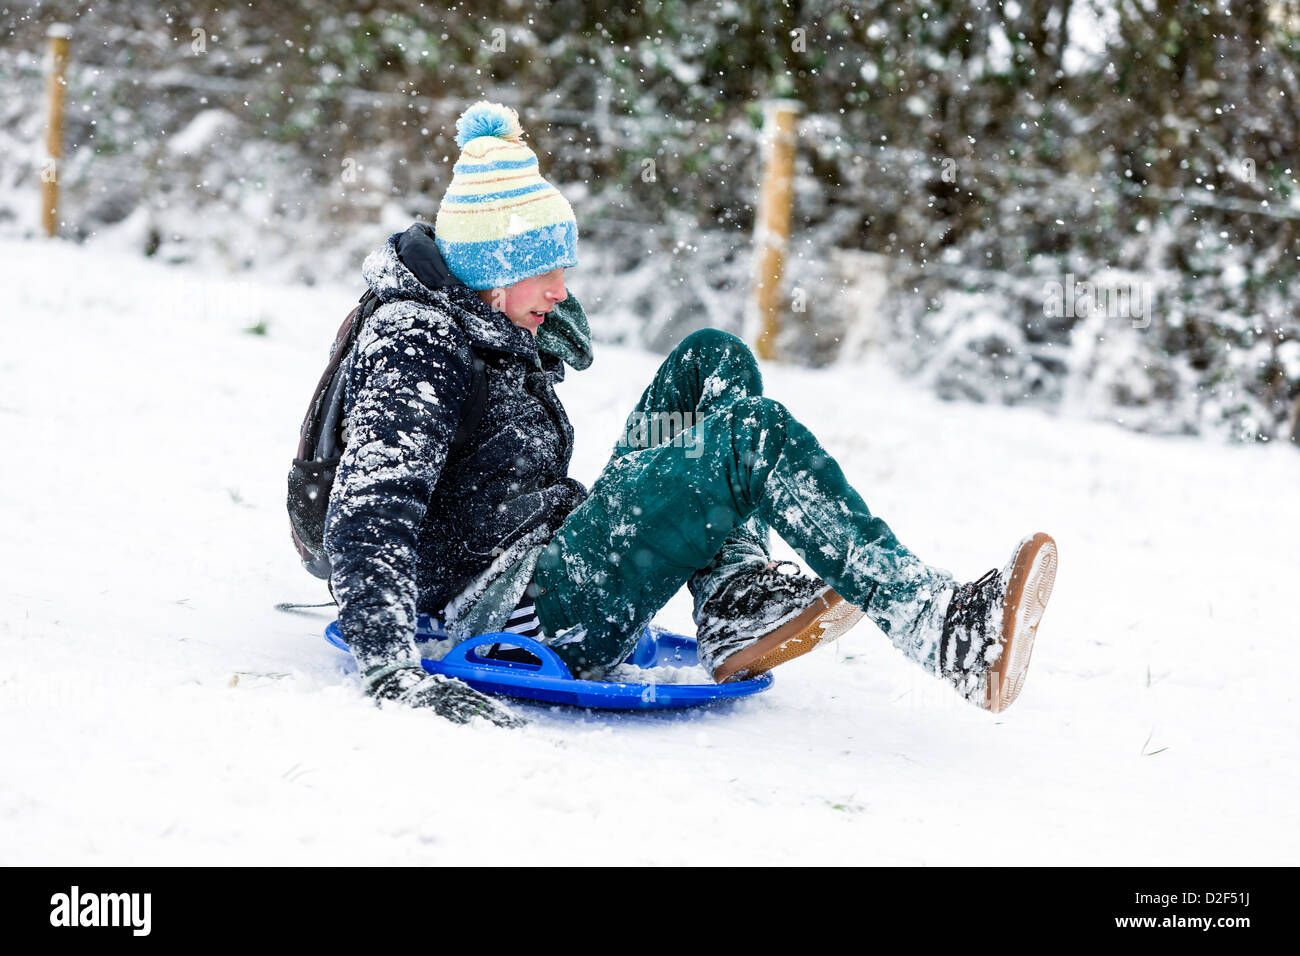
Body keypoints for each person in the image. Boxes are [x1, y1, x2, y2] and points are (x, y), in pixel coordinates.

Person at [323, 101, 1058, 728]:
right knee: (750, 438)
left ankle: (734, 601)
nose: (560, 288)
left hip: (555, 556)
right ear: (488, 267)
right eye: (543, 268)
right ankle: (945, 632)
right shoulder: (416, 340)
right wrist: (391, 669)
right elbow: (371, 504)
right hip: (524, 608)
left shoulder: (489, 323)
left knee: (713, 358)